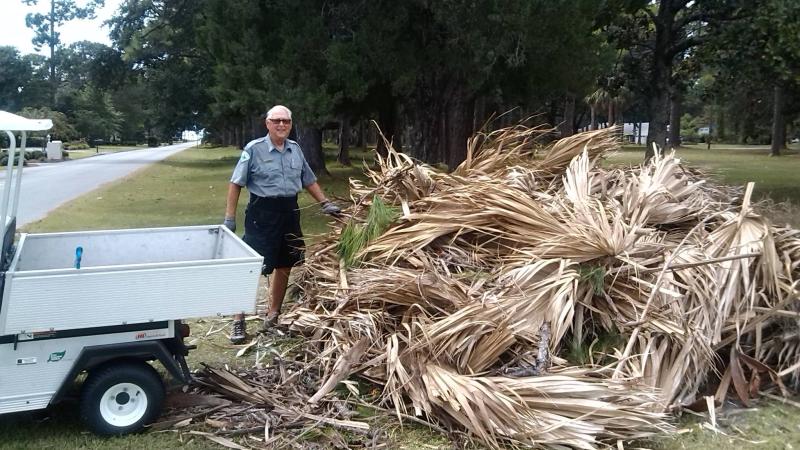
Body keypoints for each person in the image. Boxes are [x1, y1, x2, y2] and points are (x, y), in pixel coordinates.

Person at [223, 105, 341, 344]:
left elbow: (308, 179)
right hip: (261, 213)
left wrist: (325, 203)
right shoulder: (253, 149)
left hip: (289, 211)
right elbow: (236, 183)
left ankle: (273, 314)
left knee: (285, 264)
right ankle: (238, 320)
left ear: (290, 124)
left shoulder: (295, 150)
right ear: (267, 123)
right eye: (276, 120)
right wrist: (229, 218)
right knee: (251, 267)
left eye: (286, 121)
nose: (281, 125)